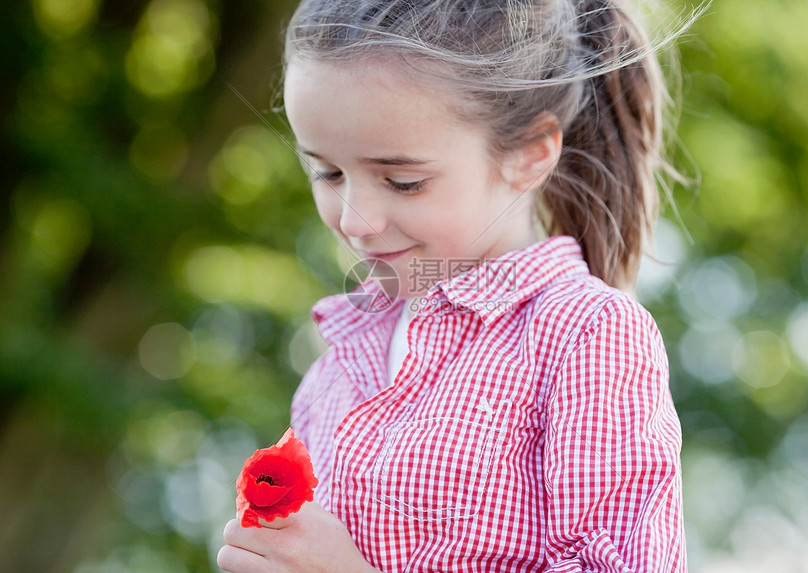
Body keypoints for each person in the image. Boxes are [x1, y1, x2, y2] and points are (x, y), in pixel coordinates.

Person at [218, 0, 697, 570]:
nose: (353, 220)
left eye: (403, 181)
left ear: (530, 155)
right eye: (328, 172)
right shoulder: (343, 357)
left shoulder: (586, 338)